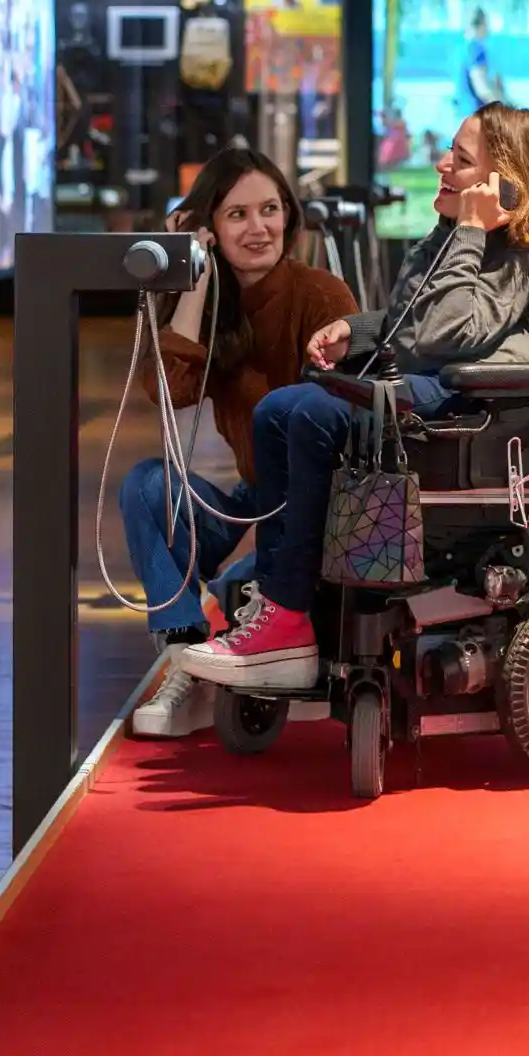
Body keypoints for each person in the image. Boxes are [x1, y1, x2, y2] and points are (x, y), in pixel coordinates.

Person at [176, 103, 529, 692]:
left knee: (309, 412)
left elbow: (449, 334)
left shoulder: (512, 250)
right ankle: (286, 603)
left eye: (460, 161)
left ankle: (286, 614)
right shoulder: (452, 238)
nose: (440, 164)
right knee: (281, 408)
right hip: (438, 387)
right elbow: (416, 323)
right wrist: (358, 332)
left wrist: (468, 229)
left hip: (480, 406)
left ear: (503, 184)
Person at [121, 149, 360, 739]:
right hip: (255, 496)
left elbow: (354, 423)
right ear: (210, 229)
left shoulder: (321, 294)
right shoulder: (211, 304)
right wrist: (194, 286)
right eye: (237, 215)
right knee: (147, 486)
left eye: (270, 210)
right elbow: (163, 389)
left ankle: (223, 655)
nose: (259, 229)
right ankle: (185, 658)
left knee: (240, 587)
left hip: (318, 511)